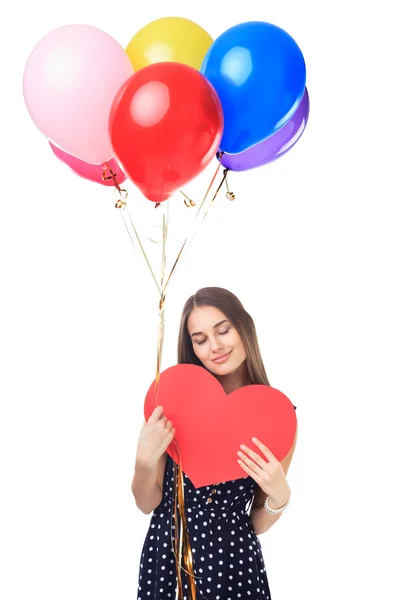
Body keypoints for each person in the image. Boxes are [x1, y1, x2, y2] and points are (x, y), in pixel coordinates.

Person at [132, 287, 297, 600]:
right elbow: (146, 503)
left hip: (235, 566)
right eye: (201, 339)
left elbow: (256, 523)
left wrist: (281, 497)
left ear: (244, 327)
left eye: (223, 330)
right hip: (167, 562)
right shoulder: (172, 402)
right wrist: (143, 462)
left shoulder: (277, 416)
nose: (215, 346)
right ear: (192, 347)